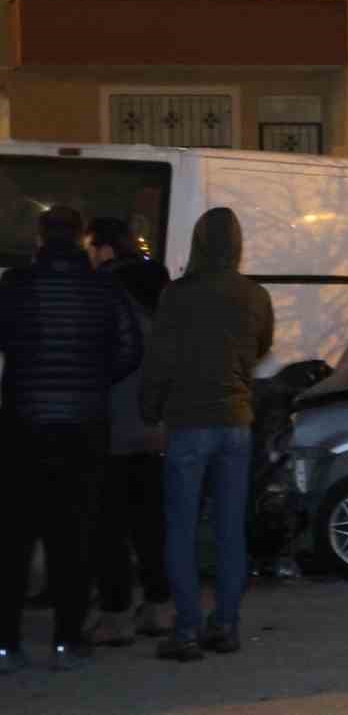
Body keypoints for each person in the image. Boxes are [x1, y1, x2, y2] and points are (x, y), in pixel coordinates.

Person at [0, 206, 141, 673]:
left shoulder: (16, 286)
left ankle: (7, 644)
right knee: (73, 536)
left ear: (40, 237)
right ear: (82, 238)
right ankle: (66, 641)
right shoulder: (104, 288)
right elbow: (129, 349)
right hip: (83, 427)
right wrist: (92, 381)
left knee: (15, 539)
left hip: (23, 424)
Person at [141, 208, 273, 662]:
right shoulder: (255, 295)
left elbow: (159, 361)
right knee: (229, 527)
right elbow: (261, 346)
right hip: (236, 422)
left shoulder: (178, 296)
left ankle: (187, 630)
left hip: (188, 423)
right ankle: (227, 625)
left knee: (180, 528)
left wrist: (149, 410)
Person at [84, 218, 172, 647]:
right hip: (156, 423)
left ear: (103, 249)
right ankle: (160, 606)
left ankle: (116, 613)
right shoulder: (162, 287)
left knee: (109, 525)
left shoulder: (102, 290)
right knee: (152, 521)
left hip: (113, 422)